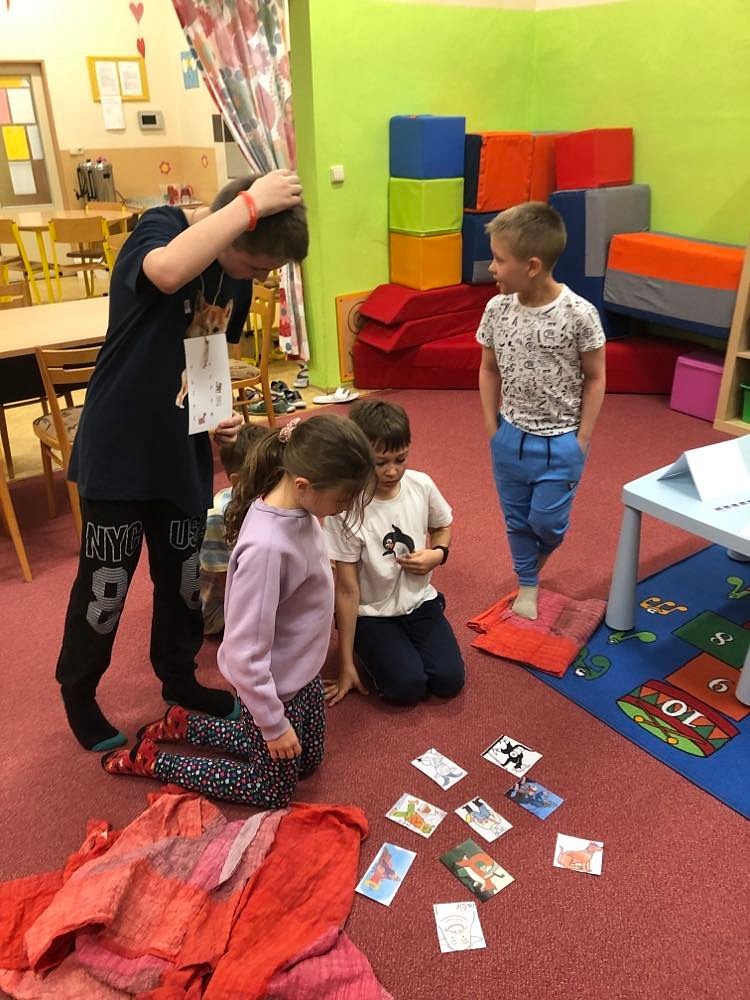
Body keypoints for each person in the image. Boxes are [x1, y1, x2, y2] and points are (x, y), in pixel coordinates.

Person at [56, 169, 307, 752]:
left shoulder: (233, 277)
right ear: (234, 227)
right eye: (257, 266)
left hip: (180, 452)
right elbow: (167, 272)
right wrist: (249, 204)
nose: (259, 279)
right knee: (107, 583)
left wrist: (217, 412)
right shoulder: (161, 229)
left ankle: (178, 677)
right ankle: (80, 691)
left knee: (184, 580)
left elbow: (209, 353)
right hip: (118, 449)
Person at [101, 415, 375, 808]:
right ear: (303, 485)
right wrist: (273, 723)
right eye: (343, 500)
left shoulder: (300, 507)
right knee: (272, 790)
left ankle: (186, 724)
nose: (344, 509)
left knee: (307, 762)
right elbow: (245, 654)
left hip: (302, 673)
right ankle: (156, 760)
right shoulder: (267, 549)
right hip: (271, 686)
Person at [477, 201, 606, 621]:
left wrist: (582, 439)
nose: (492, 268)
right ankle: (528, 583)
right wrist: (493, 426)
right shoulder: (496, 309)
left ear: (532, 266)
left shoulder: (579, 314)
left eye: (499, 260)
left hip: (561, 442)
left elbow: (596, 377)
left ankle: (537, 559)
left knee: (547, 523)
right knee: (516, 520)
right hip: (510, 437)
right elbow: (488, 368)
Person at [324, 400, 465, 707]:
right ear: (359, 456)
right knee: (407, 688)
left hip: (419, 601)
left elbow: (442, 525)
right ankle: (365, 648)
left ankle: (403, 643)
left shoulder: (421, 485)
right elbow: (347, 589)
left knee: (449, 681)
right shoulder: (345, 507)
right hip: (371, 615)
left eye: (401, 459)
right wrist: (345, 664)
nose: (392, 471)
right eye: (380, 462)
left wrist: (438, 554)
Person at [200, 423, 270, 636]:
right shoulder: (218, 517)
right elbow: (228, 583)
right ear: (237, 482)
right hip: (221, 608)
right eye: (268, 479)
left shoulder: (267, 504)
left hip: (257, 591)